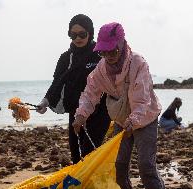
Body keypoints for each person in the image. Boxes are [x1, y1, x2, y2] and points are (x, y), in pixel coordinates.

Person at [73, 22, 165, 189]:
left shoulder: (138, 63)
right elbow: (90, 93)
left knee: (146, 167)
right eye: (103, 52)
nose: (108, 55)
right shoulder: (101, 69)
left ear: (122, 44)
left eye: (112, 50)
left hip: (146, 118)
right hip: (123, 121)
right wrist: (81, 115)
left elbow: (142, 99)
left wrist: (134, 120)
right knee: (118, 166)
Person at [36, 14, 110, 164]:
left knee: (89, 154)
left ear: (90, 33)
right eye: (73, 34)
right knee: (76, 157)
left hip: (99, 113)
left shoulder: (100, 54)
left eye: (82, 34)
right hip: (75, 112)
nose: (77, 38)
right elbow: (57, 82)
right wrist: (45, 102)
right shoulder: (65, 57)